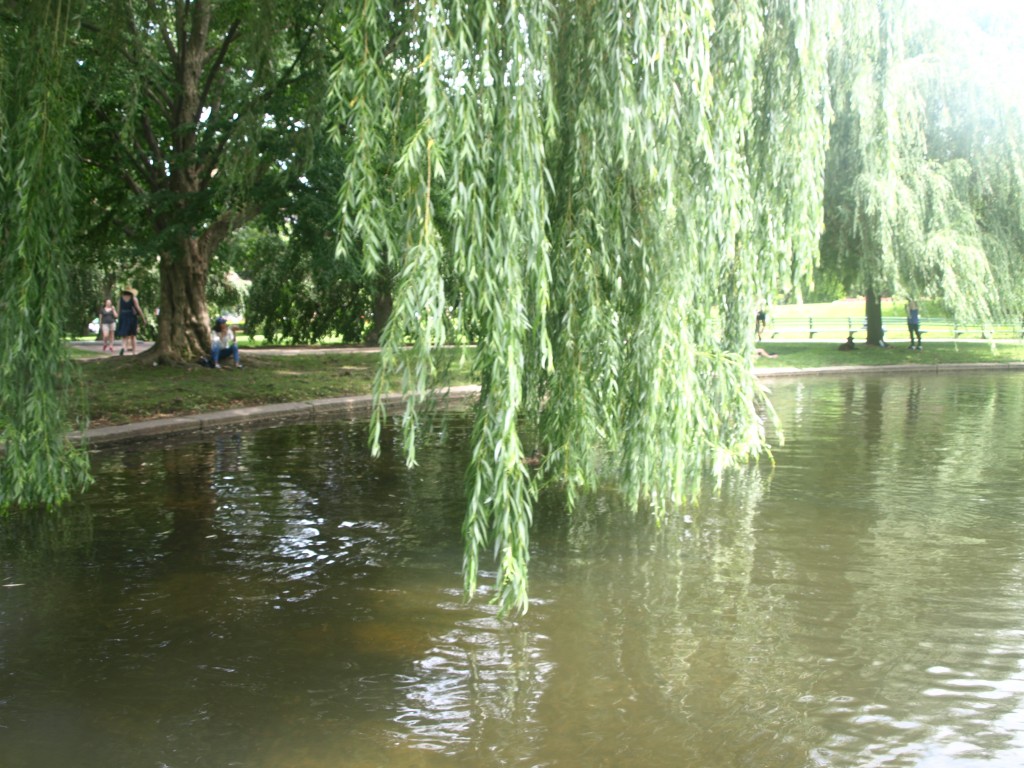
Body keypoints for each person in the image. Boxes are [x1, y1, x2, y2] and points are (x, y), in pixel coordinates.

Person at [116, 286, 145, 355]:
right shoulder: (133, 298)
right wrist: (143, 318)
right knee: (133, 335)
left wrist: (119, 318)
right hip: (131, 316)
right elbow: (138, 308)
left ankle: (123, 347)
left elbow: (118, 310)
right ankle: (134, 352)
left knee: (124, 335)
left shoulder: (120, 299)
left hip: (123, 316)